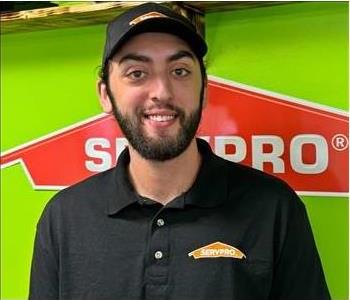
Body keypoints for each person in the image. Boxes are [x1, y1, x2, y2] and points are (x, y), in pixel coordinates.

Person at [29, 2, 330, 300]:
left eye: (180, 71)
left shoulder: (274, 207)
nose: (162, 91)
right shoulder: (63, 218)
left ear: (204, 91)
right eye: (136, 73)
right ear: (106, 94)